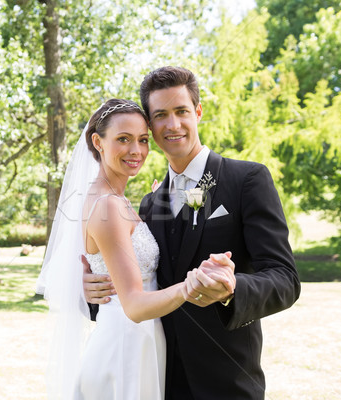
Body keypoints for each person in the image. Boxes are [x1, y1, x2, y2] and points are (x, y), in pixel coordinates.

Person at [83, 66, 301, 399]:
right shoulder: (148, 204)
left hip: (228, 379)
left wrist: (232, 288)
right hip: (157, 376)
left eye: (181, 111)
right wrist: (92, 292)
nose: (173, 125)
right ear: (151, 125)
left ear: (197, 112)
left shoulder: (247, 180)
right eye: (160, 116)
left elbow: (285, 279)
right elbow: (135, 285)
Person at [36, 98, 235, 400]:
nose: (136, 151)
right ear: (97, 142)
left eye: (143, 140)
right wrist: (192, 284)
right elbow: (134, 305)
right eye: (123, 140)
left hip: (139, 341)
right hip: (125, 347)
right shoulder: (108, 206)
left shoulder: (116, 200)